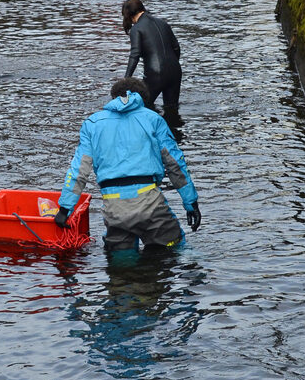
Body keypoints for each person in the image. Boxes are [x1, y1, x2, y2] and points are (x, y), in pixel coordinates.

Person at [55, 77, 201, 251]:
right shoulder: (153, 120)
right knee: (175, 251)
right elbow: (175, 164)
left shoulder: (92, 124)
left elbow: (79, 168)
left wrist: (65, 209)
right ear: (143, 100)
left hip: (113, 206)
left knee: (122, 262)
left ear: (113, 97)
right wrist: (191, 203)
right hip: (150, 203)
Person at [122, 0, 182, 109]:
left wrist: (126, 79)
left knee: (143, 108)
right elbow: (176, 48)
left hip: (155, 74)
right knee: (171, 109)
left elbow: (135, 55)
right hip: (175, 71)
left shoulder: (137, 29)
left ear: (129, 15)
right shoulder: (163, 23)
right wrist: (171, 65)